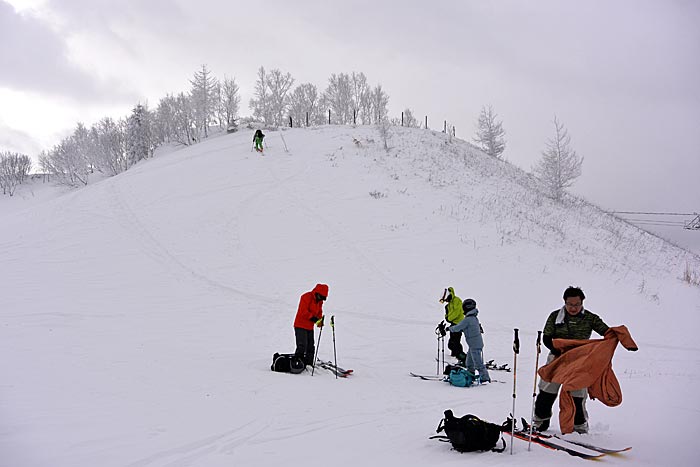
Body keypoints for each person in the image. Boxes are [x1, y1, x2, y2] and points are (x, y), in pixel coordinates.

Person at [532, 286, 609, 434]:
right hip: (557, 359)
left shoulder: (590, 318)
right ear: (564, 302)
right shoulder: (555, 316)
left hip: (580, 362)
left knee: (577, 396)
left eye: (577, 304)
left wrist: (619, 337)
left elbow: (607, 332)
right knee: (546, 391)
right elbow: (547, 338)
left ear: (582, 303)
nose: (573, 308)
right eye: (570, 304)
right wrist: (559, 351)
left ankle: (579, 427)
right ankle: (540, 422)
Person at [446, 298, 490, 383]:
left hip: (475, 345)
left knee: (478, 363)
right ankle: (471, 375)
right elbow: (466, 329)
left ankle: (485, 378)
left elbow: (458, 327)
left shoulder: (468, 320)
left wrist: (449, 329)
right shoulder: (473, 318)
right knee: (469, 363)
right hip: (473, 345)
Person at [293, 283, 328, 367]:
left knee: (310, 347)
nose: (321, 300)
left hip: (309, 326)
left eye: (323, 298)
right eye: (321, 297)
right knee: (302, 346)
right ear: (317, 293)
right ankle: (298, 364)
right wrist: (313, 318)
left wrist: (319, 321)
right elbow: (303, 311)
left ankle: (309, 364)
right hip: (300, 325)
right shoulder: (306, 297)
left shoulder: (319, 301)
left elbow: (319, 312)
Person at [440, 287, 465, 362]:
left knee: (455, 342)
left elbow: (456, 313)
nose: (446, 301)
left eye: (446, 299)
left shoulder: (457, 300)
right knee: (451, 343)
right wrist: (447, 316)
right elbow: (448, 315)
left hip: (459, 324)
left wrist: (448, 318)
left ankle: (462, 358)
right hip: (453, 324)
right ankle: (454, 356)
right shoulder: (449, 304)